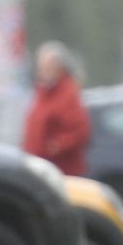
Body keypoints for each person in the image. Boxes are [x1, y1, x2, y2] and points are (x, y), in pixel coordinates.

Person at [23, 41, 91, 178]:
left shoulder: (68, 92)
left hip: (62, 171)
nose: (42, 72)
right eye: (41, 67)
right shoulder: (42, 92)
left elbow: (80, 132)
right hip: (39, 168)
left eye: (47, 67)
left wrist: (56, 146)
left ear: (59, 67)